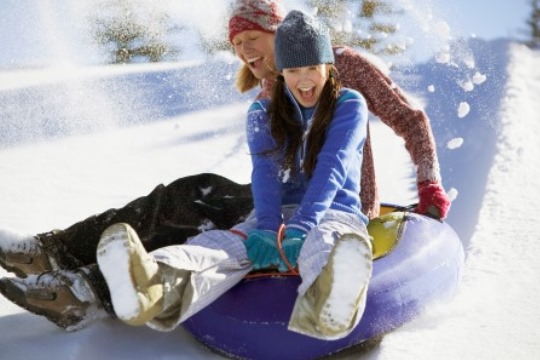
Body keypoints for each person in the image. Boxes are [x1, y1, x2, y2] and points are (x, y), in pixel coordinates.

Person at [0, 0, 450, 331]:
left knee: (194, 198)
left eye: (250, 39)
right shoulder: (266, 100)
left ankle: (80, 286)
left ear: (277, 31)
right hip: (281, 202)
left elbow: (406, 118)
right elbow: (267, 169)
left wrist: (429, 185)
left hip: (337, 205)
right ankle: (60, 258)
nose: (243, 53)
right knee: (187, 195)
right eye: (235, 45)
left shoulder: (340, 67)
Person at [96, 10, 372, 340]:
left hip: (335, 211)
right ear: (281, 72)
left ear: (328, 65)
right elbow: (265, 173)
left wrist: (303, 224)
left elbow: (333, 164)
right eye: (293, 69)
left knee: (326, 240)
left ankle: (330, 303)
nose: (304, 79)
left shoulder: (349, 104)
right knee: (225, 245)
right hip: (275, 214)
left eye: (312, 67)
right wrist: (269, 228)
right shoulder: (261, 112)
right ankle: (155, 283)